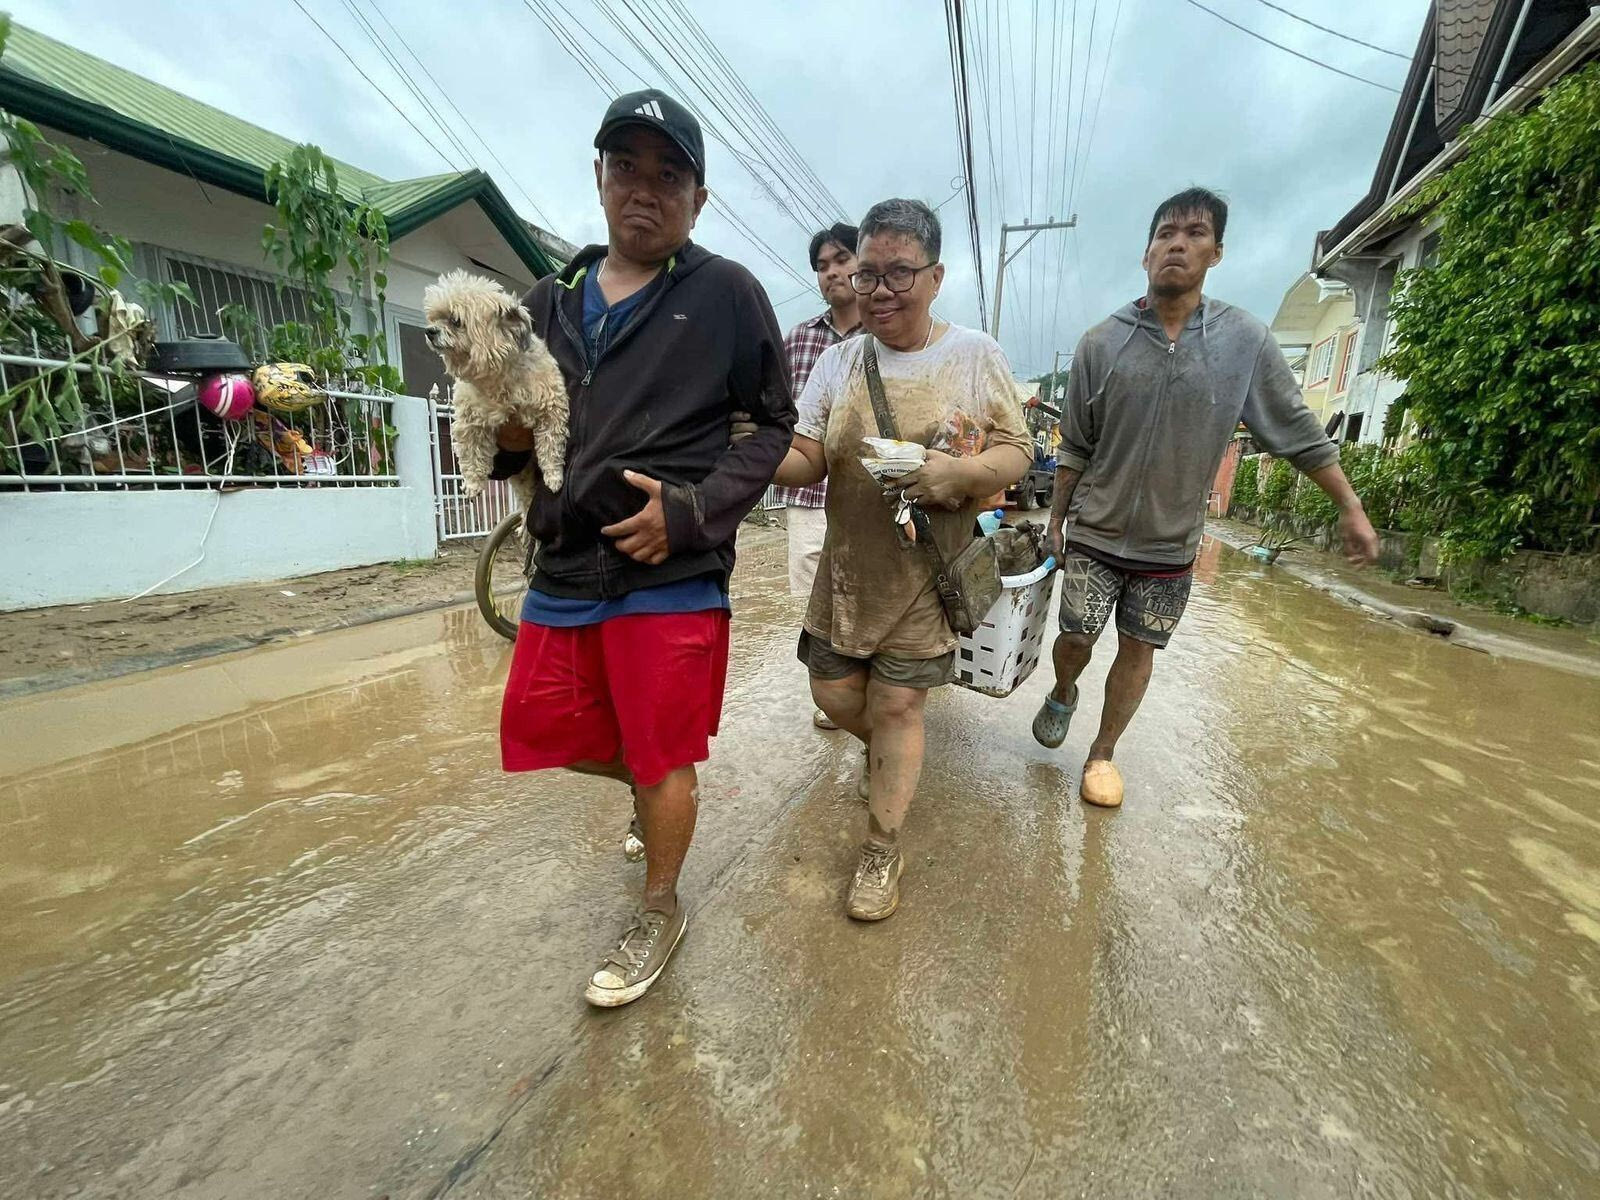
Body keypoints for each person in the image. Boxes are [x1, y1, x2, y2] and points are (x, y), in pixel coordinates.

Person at [489, 89, 794, 1007]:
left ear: (698, 198)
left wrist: (693, 514)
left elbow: (772, 427)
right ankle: (656, 790)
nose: (644, 190)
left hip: (672, 573)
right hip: (564, 563)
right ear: (599, 177)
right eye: (626, 167)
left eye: (669, 175)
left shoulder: (727, 294)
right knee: (545, 727)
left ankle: (660, 905)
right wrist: (506, 436)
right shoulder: (546, 302)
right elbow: (509, 433)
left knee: (662, 755)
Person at [1034, 188, 1379, 808]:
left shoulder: (1243, 342)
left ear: (1216, 252)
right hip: (1095, 530)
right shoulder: (1101, 343)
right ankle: (1063, 691)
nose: (1178, 245)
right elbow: (1075, 447)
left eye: (1195, 234)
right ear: (1146, 253)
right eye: (1166, 234)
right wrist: (1055, 523)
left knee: (1139, 648)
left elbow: (1298, 431)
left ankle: (1102, 753)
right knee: (1076, 637)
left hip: (1170, 543)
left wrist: (1350, 507)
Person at [772, 198, 1032, 922]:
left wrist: (961, 475)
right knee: (833, 695)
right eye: (868, 274)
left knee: (897, 704)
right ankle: (890, 755)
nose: (879, 290)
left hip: (926, 572)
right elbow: (808, 455)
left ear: (935, 277)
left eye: (899, 274)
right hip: (848, 571)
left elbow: (1018, 448)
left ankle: (882, 847)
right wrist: (750, 455)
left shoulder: (974, 355)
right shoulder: (839, 361)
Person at [773, 223, 864, 731]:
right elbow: (778, 412)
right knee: (820, 599)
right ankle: (840, 693)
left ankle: (875, 694)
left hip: (872, 496)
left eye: (842, 259)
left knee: (871, 593)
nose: (832, 272)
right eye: (822, 265)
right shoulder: (799, 340)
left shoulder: (886, 334)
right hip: (809, 493)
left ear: (863, 262)